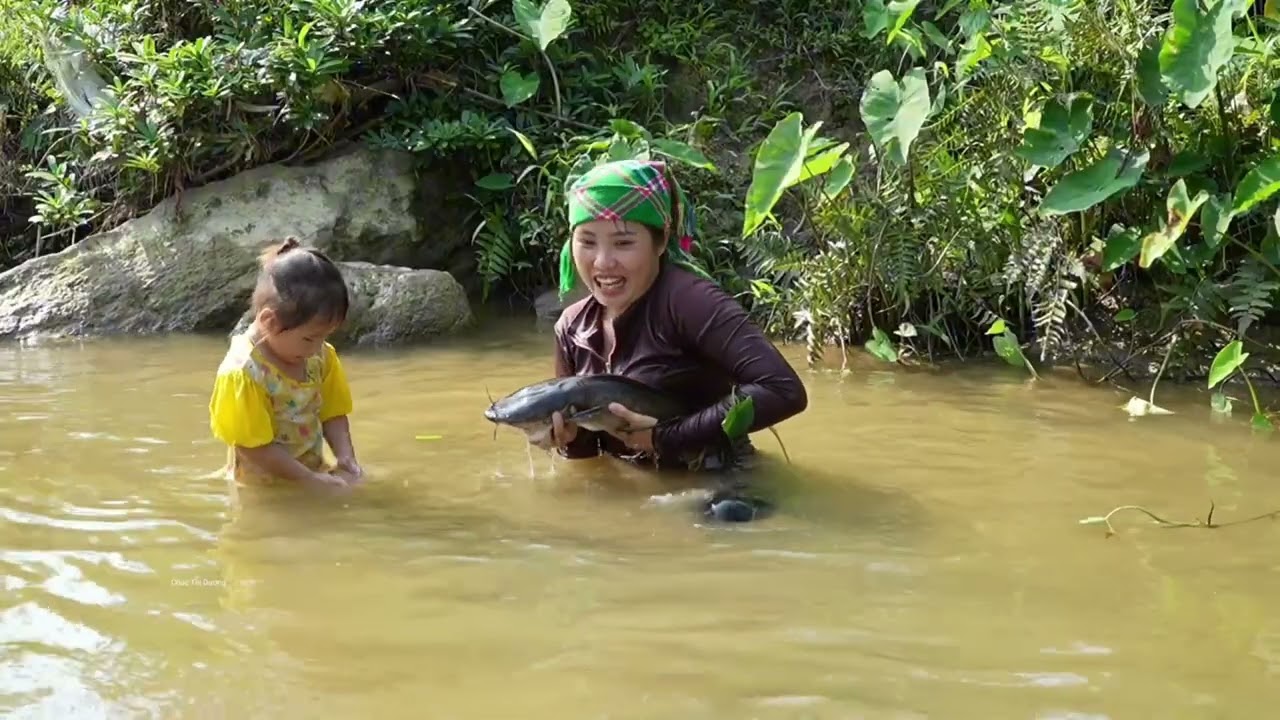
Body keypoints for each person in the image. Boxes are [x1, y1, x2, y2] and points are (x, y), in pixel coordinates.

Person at [543, 158, 808, 472]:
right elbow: (591, 458)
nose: (602, 262)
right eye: (587, 242)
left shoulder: (692, 302)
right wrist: (567, 439)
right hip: (641, 492)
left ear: (661, 241)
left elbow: (782, 389)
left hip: (722, 485)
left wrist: (666, 436)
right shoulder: (571, 327)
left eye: (623, 243)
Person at [208, 237, 363, 490]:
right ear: (269, 322)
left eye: (325, 337)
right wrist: (308, 481)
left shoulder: (319, 356)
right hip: (260, 488)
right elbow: (253, 447)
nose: (317, 348)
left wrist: (346, 459)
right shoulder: (243, 373)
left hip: (310, 475)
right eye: (310, 338)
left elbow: (333, 413)